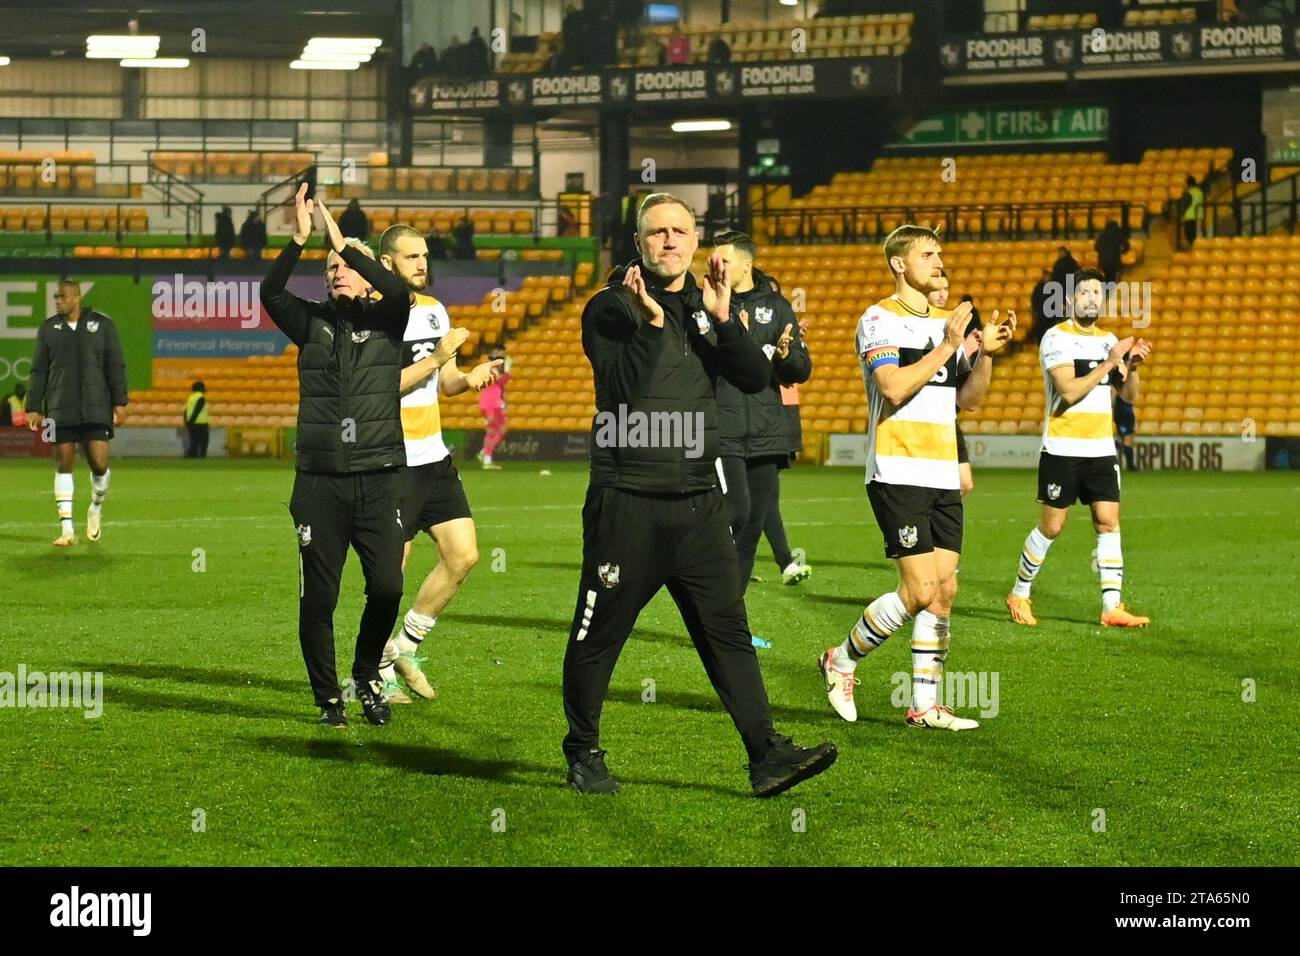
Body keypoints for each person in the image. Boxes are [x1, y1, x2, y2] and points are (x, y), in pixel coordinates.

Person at [564, 192, 837, 797]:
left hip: (698, 503)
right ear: (639, 244)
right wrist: (655, 328)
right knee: (600, 635)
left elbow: (753, 376)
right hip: (627, 500)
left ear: (694, 241)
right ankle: (583, 749)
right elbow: (623, 387)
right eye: (656, 231)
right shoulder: (610, 307)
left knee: (727, 630)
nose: (669, 240)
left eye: (679, 231)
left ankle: (765, 755)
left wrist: (723, 318)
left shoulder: (707, 304)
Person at [818, 225, 1014, 729]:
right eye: (927, 254)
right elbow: (893, 386)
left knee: (945, 590)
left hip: (941, 471)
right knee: (920, 590)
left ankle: (925, 707)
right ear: (900, 264)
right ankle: (840, 660)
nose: (938, 261)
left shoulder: (944, 326)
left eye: (940, 254)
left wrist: (985, 352)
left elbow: (966, 401)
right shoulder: (879, 319)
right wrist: (949, 345)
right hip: (898, 470)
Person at [258, 183, 411, 728]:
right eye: (330, 267)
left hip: (380, 478)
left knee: (388, 586)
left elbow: (400, 294)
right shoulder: (311, 323)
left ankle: (366, 674)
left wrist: (348, 248)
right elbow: (270, 293)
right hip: (320, 483)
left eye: (345, 265)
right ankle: (329, 699)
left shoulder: (390, 319)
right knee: (319, 599)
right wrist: (300, 241)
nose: (337, 271)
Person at [371, 223, 503, 704]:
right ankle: (372, 673)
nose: (423, 264)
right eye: (412, 258)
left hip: (433, 457)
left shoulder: (433, 311)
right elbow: (380, 386)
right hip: (392, 461)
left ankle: (401, 649)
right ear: (387, 264)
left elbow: (444, 382)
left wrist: (469, 377)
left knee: (463, 556)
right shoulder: (374, 317)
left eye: (425, 256)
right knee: (391, 576)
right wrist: (439, 358)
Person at [1006, 269, 1153, 629]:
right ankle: (1020, 592)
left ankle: (1111, 606)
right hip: (1062, 448)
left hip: (1101, 449)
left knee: (1108, 523)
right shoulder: (1056, 338)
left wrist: (1130, 367)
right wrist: (1109, 361)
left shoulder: (1109, 339)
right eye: (1083, 292)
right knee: (1052, 527)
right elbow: (1068, 391)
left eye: (1096, 293)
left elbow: (1130, 397)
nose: (1091, 298)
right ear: (1070, 300)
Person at [712, 230, 812, 595]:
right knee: (736, 513)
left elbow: (801, 369)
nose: (717, 266)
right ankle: (709, 591)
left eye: (724, 260)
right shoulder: (707, 303)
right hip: (723, 427)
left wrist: (786, 357)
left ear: (746, 264)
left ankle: (730, 611)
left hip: (768, 428)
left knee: (753, 524)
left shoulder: (778, 307)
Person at [25, 279, 127, 547]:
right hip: (59, 407)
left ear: (77, 298)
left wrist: (120, 402)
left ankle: (95, 506)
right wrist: (34, 406)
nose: (57, 300)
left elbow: (115, 364)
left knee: (99, 463)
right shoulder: (48, 329)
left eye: (62, 296)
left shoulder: (102, 325)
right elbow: (39, 370)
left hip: (96, 406)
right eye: (56, 296)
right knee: (63, 464)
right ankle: (67, 530)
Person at [930, 272, 982, 498]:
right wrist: (965, 350)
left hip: (948, 417)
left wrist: (979, 354)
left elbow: (959, 384)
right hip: (927, 419)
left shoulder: (951, 324)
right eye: (937, 288)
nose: (942, 294)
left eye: (946, 288)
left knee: (964, 483)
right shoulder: (921, 327)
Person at [477, 347, 509, 469]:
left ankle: (484, 454)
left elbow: (500, 386)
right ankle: (486, 459)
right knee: (493, 431)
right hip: (491, 404)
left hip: (492, 403)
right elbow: (500, 382)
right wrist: (507, 371)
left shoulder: (492, 369)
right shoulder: (491, 370)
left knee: (501, 429)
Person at [183, 381, 210, 458]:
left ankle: (192, 456)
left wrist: (187, 422)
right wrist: (192, 421)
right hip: (201, 423)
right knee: (204, 442)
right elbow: (197, 410)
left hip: (192, 423)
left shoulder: (191, 397)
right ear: (201, 388)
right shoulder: (201, 397)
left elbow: (185, 410)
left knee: (194, 441)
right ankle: (202, 457)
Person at [1114, 393, 1137, 471]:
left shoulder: (1118, 386)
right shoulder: (1124, 386)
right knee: (1127, 440)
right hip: (1125, 414)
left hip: (1121, 413)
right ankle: (1130, 466)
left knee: (1121, 439)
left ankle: (1130, 465)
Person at [1181, 175, 1204, 247]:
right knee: (1197, 236)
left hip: (1190, 217)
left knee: (1190, 236)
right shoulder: (1200, 192)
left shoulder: (1189, 193)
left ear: (1188, 184)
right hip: (1199, 216)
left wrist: (1181, 216)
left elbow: (1184, 206)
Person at [1030, 268, 1053, 342]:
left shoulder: (1053, 288)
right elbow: (1034, 301)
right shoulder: (1038, 288)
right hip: (1041, 315)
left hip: (1051, 316)